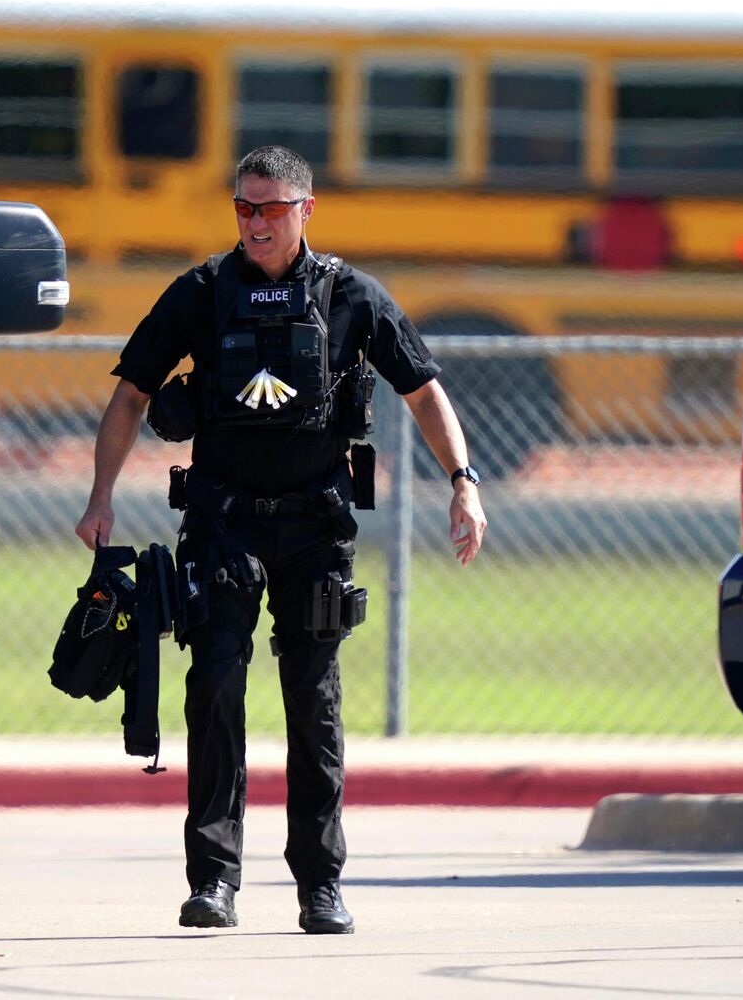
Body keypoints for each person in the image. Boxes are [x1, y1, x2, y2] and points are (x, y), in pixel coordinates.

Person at [74, 145, 486, 935]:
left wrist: (463, 480)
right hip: (223, 521)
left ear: (306, 209)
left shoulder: (349, 295)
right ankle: (214, 879)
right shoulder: (201, 293)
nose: (256, 222)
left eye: (271, 207)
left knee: (314, 700)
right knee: (216, 686)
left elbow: (423, 389)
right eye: (243, 208)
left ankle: (320, 885)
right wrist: (101, 495)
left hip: (315, 526)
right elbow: (130, 395)